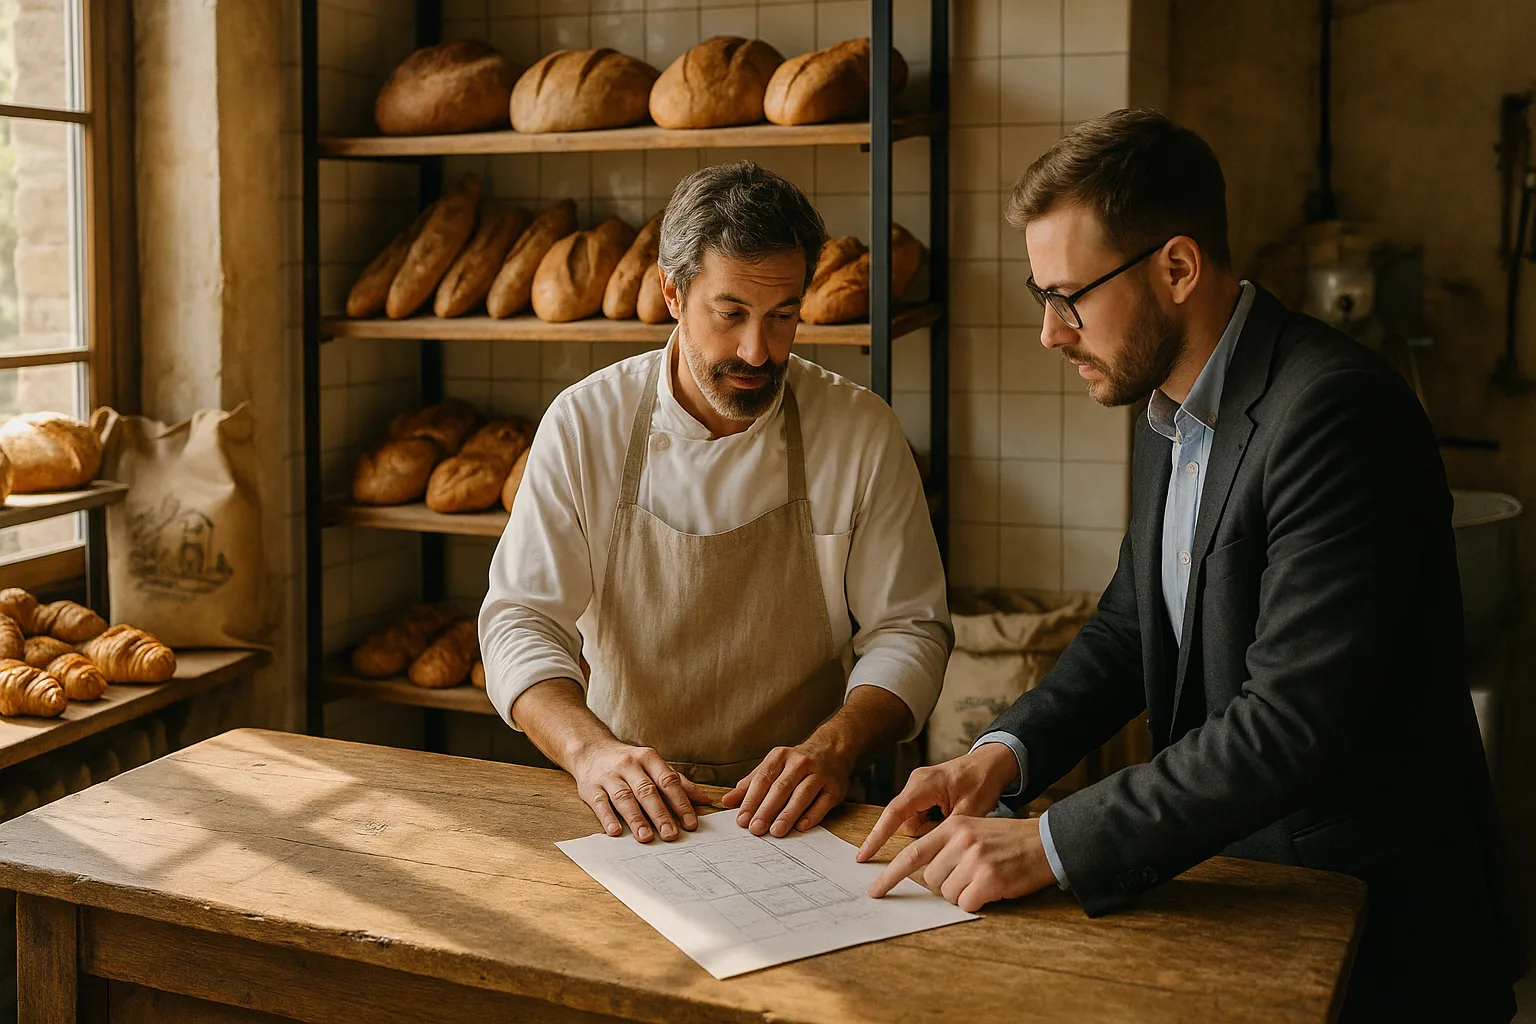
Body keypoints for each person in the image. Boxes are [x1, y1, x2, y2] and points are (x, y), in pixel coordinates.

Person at [858, 109, 1525, 1021]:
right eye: (1039, 294)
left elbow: (1285, 726)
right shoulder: (1169, 404)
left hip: (1371, 931)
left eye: (1070, 297)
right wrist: (1000, 758)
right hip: (1242, 898)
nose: (1051, 333)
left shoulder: (1335, 415)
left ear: (1177, 268)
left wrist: (1050, 843)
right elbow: (1136, 622)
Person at [480, 161, 951, 848]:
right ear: (673, 292)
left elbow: (910, 627)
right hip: (625, 807)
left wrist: (838, 747)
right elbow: (520, 621)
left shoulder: (859, 431)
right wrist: (589, 753)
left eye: (783, 316)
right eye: (730, 315)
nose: (758, 350)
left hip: (802, 814)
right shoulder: (585, 423)